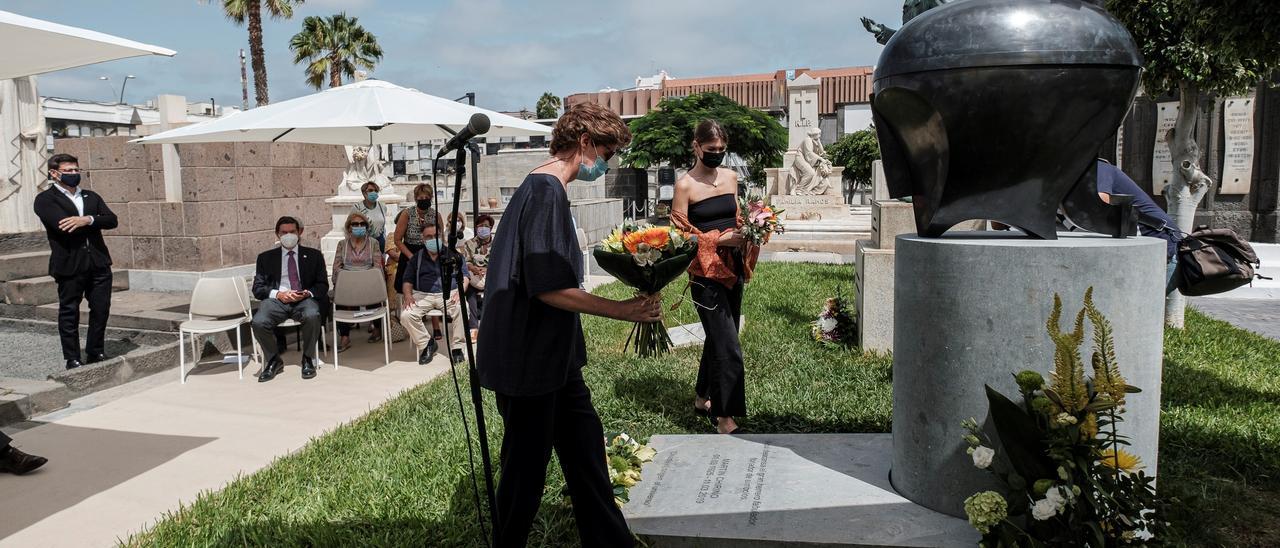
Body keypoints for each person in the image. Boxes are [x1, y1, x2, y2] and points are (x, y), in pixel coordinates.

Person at [476, 102, 661, 548]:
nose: (608, 162)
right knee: (524, 474)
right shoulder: (545, 192)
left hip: (555, 361)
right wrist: (624, 310)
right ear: (584, 143)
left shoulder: (542, 189)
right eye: (608, 151)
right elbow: (547, 288)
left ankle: (610, 540)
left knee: (585, 455)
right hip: (530, 363)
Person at [671, 119, 756, 435]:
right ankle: (725, 417)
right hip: (704, 274)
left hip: (733, 268)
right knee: (728, 345)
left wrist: (751, 229)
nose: (717, 155)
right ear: (696, 146)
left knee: (722, 336)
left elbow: (736, 216)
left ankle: (701, 398)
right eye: (711, 150)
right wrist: (718, 240)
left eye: (721, 150)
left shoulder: (732, 178)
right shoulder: (685, 186)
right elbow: (680, 235)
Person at [33, 153, 118, 370]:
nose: (73, 174)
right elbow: (62, 225)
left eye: (76, 170)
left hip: (98, 263)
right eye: (68, 170)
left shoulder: (91, 196)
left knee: (101, 309)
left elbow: (112, 220)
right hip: (70, 264)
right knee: (69, 311)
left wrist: (86, 219)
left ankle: (95, 351)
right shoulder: (45, 199)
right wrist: (94, 221)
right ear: (54, 173)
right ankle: (72, 357)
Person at [251, 216, 329, 382]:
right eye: (284, 232)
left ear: (299, 232)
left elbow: (322, 285)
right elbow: (258, 289)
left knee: (312, 315)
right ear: (277, 234)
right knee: (258, 322)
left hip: (303, 300)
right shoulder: (265, 258)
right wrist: (278, 294)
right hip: (276, 301)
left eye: (292, 231)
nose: (288, 235)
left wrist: (307, 293)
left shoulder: (314, 256)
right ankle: (273, 360)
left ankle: (308, 358)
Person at [1094, 159, 1182, 294]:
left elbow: (1100, 206)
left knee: (1137, 309)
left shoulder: (1100, 168)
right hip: (1146, 253)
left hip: (1164, 250)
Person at [401, 221, 467, 366]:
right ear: (423, 239)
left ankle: (457, 348)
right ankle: (427, 344)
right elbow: (407, 280)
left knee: (462, 308)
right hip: (423, 295)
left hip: (450, 293)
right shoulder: (417, 258)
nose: (432, 239)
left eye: (436, 235)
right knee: (406, 315)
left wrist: (460, 292)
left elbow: (465, 276)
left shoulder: (453, 255)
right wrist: (408, 295)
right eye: (428, 237)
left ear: (441, 235)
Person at [332, 211, 386, 352]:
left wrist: (365, 280)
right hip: (348, 283)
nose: (359, 226)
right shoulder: (342, 244)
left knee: (374, 293)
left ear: (367, 227)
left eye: (362, 224)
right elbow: (337, 266)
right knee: (340, 297)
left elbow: (377, 266)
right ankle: (345, 337)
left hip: (368, 282)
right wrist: (345, 281)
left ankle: (377, 329)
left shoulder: (373, 243)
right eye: (355, 224)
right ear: (349, 227)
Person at [393, 183, 445, 290]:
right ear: (416, 198)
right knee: (407, 287)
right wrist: (412, 257)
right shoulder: (407, 213)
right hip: (409, 253)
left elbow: (441, 238)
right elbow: (397, 239)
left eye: (427, 197)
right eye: (421, 197)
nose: (424, 199)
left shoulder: (436, 215)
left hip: (430, 253)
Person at [460, 214, 495, 335]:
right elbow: (466, 261)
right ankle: (473, 327)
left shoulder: (498, 243)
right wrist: (474, 268)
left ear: (490, 228)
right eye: (480, 226)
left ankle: (490, 323)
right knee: (469, 289)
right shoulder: (469, 243)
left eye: (486, 226)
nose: (483, 228)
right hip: (474, 276)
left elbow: (500, 261)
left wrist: (487, 269)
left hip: (492, 276)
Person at [351, 181, 388, 252]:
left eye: (376, 191)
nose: (374, 193)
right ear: (364, 193)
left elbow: (383, 226)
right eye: (370, 190)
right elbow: (349, 226)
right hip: (362, 243)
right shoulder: (357, 207)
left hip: (379, 242)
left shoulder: (382, 206)